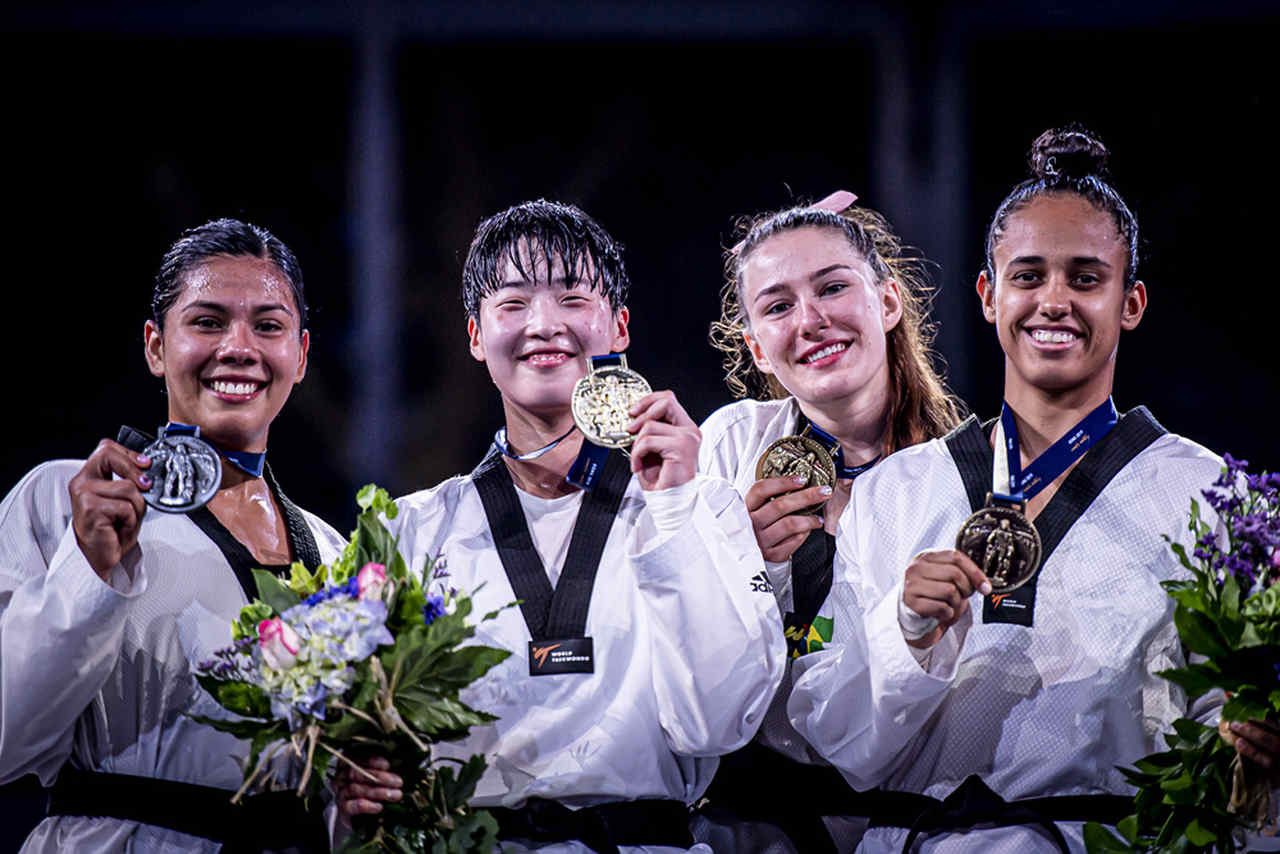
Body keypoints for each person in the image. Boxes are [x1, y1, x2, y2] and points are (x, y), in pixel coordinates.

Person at [787, 125, 1280, 852]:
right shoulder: (897, 491)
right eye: (1028, 276)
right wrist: (905, 631)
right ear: (989, 295)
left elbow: (1232, 742)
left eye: (1085, 278)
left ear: (1131, 302)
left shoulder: (1213, 497)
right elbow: (836, 739)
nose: (1054, 301)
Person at [337, 199, 787, 852]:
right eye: (513, 304)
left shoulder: (703, 503)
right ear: (474, 334)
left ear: (619, 327)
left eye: (573, 298)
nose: (544, 325)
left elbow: (716, 726)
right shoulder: (411, 529)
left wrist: (673, 509)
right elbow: (370, 743)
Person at [0, 219, 346, 852]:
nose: (239, 347)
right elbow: (4, 742)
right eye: (208, 322)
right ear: (156, 347)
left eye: (267, 326)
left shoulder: (336, 553)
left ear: (299, 356)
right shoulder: (61, 499)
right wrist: (88, 568)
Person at [692, 194, 963, 852]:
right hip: (747, 820)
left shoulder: (963, 479)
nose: (811, 320)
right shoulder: (730, 450)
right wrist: (743, 566)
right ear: (757, 348)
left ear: (888, 303)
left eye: (833, 287)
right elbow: (683, 664)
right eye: (779, 305)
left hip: (916, 823)